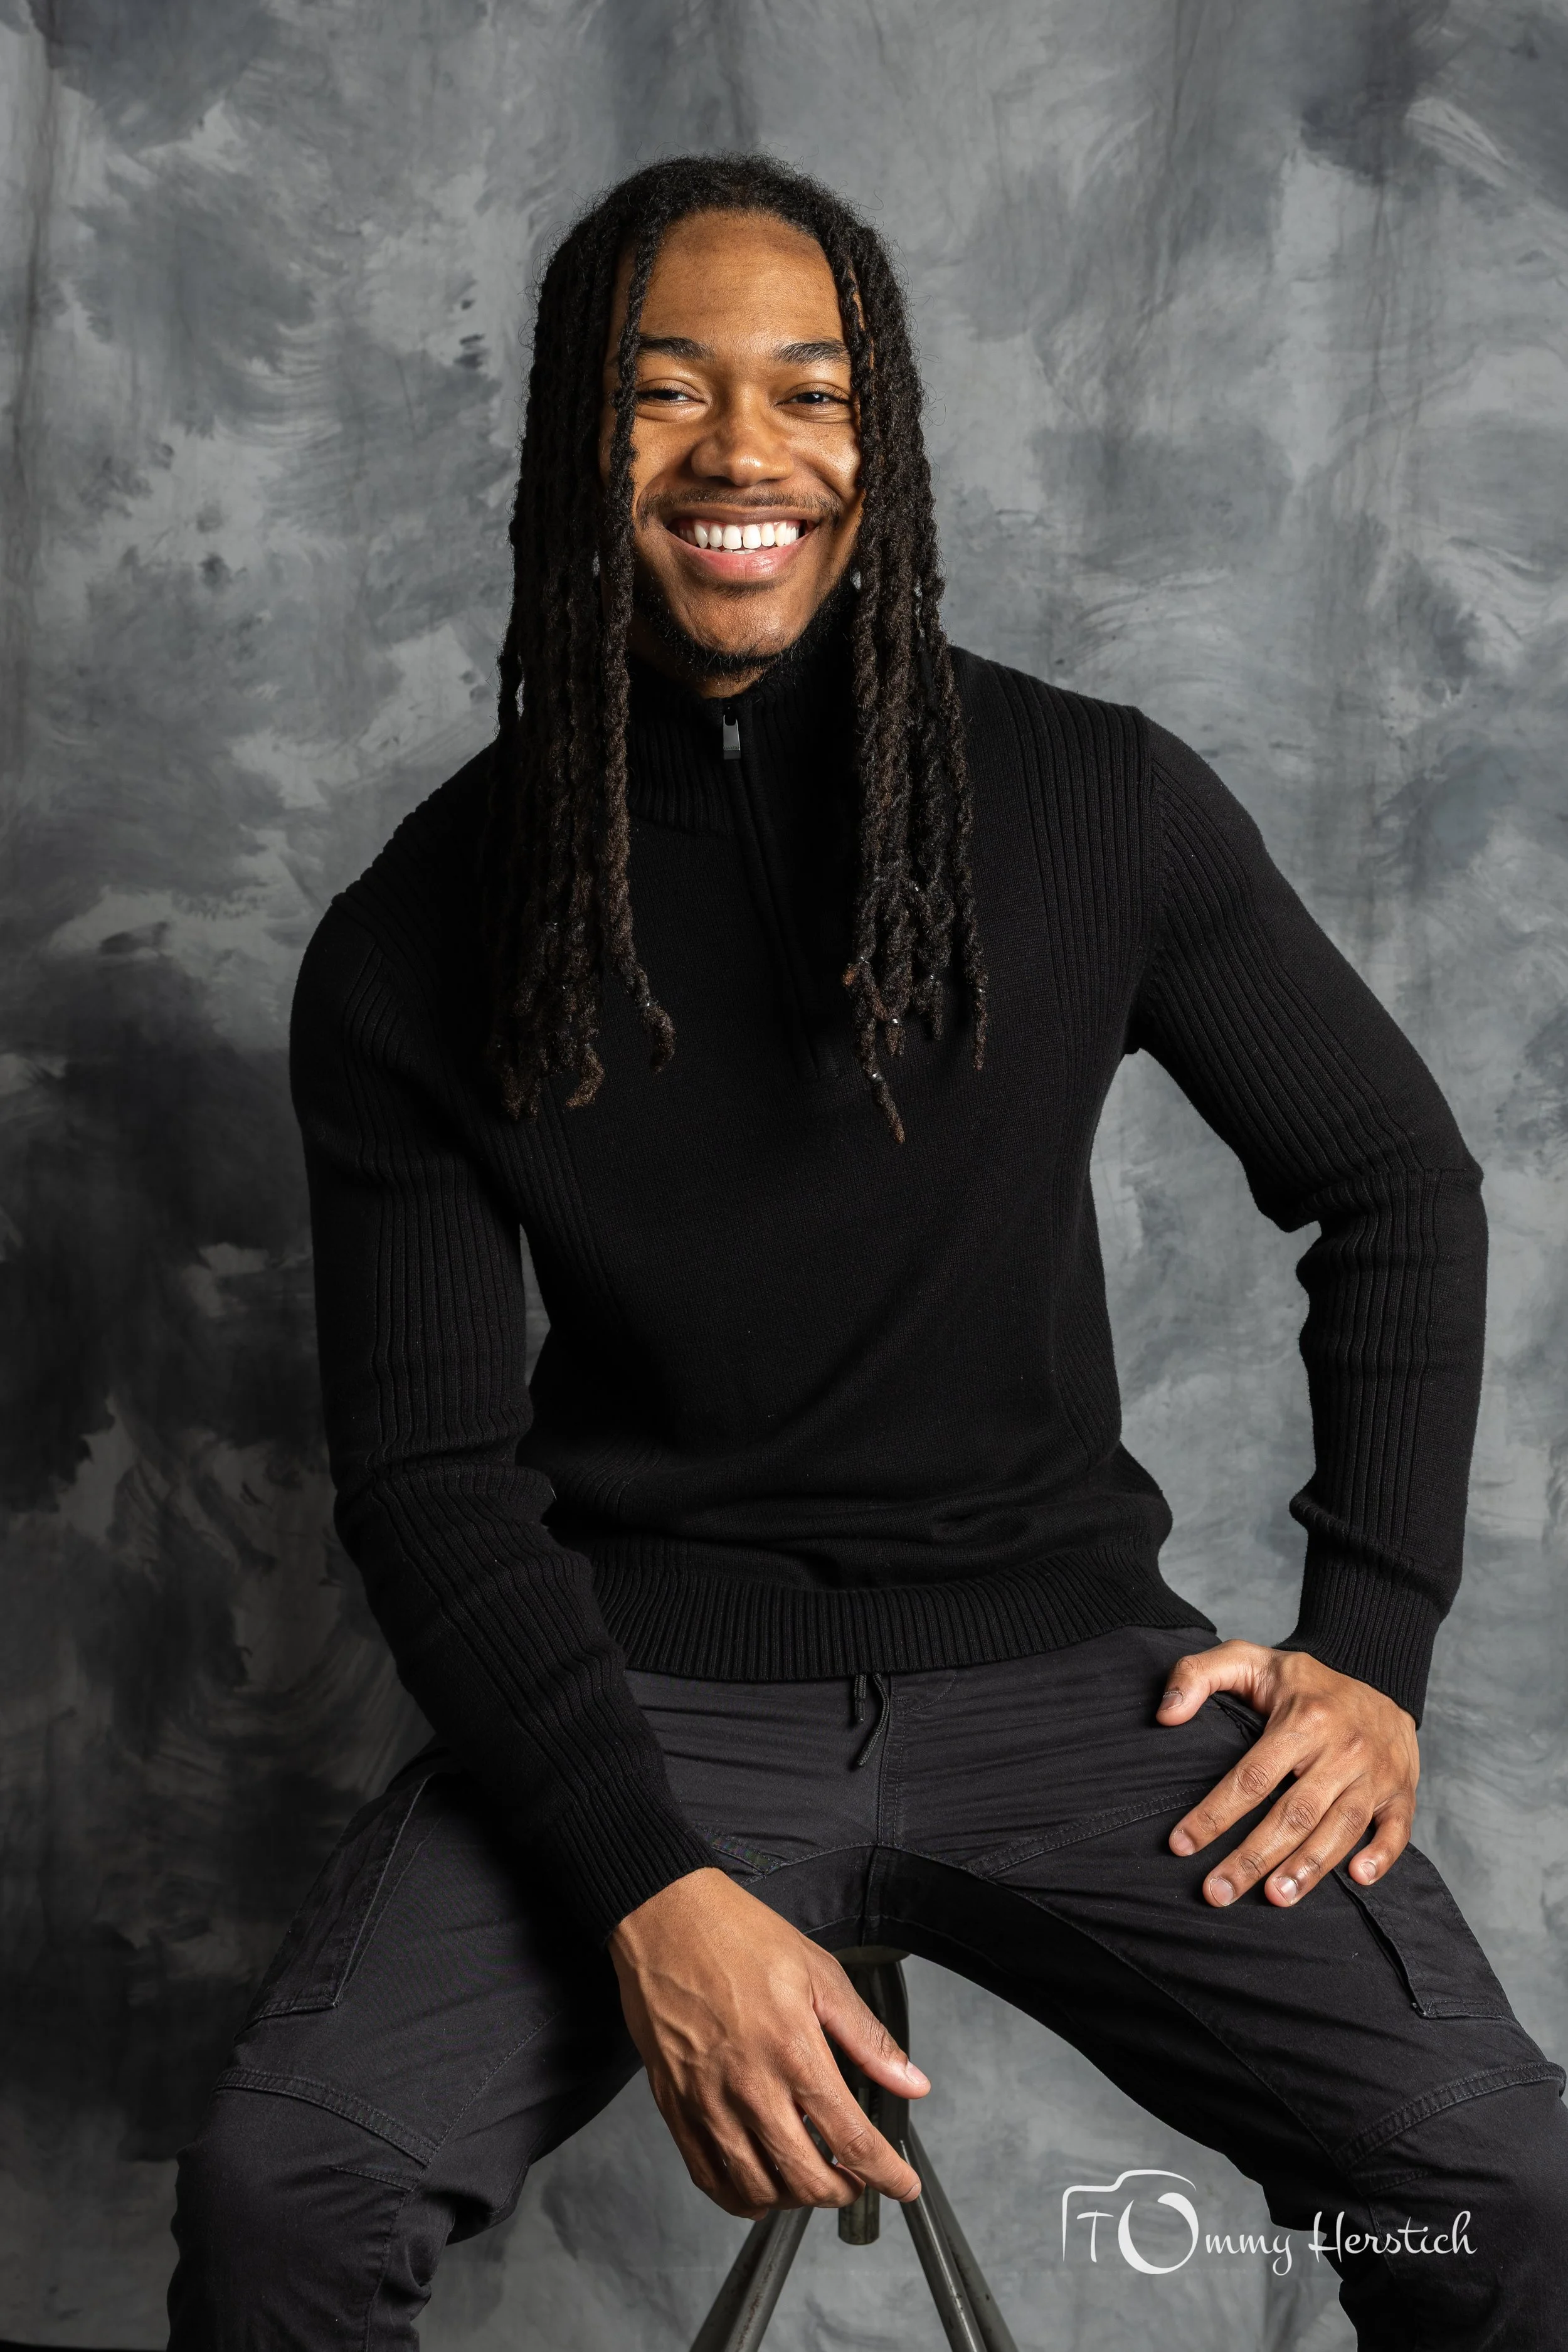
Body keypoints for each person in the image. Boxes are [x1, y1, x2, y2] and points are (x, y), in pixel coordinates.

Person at [166, 153, 1567, 2348]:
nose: (746, 452)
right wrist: (644, 1875)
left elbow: (1395, 1186)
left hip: (1067, 1682)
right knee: (285, 2196)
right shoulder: (423, 929)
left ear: (877, 443)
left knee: (1501, 2192)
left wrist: (1370, 1645)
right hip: (636, 1695)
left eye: (810, 393)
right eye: (665, 394)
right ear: (572, 443)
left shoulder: (1096, 805)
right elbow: (431, 1478)